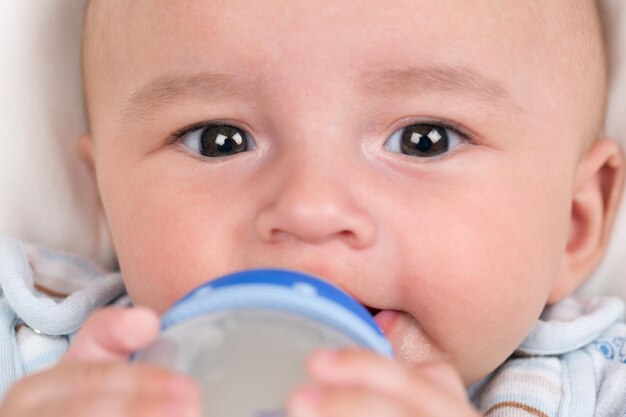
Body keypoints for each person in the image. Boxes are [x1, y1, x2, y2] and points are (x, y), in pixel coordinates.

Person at [1, 0, 625, 416]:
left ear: (574, 224)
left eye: (423, 140)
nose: (309, 208)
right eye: (221, 140)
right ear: (109, 204)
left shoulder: (600, 385)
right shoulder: (38, 358)